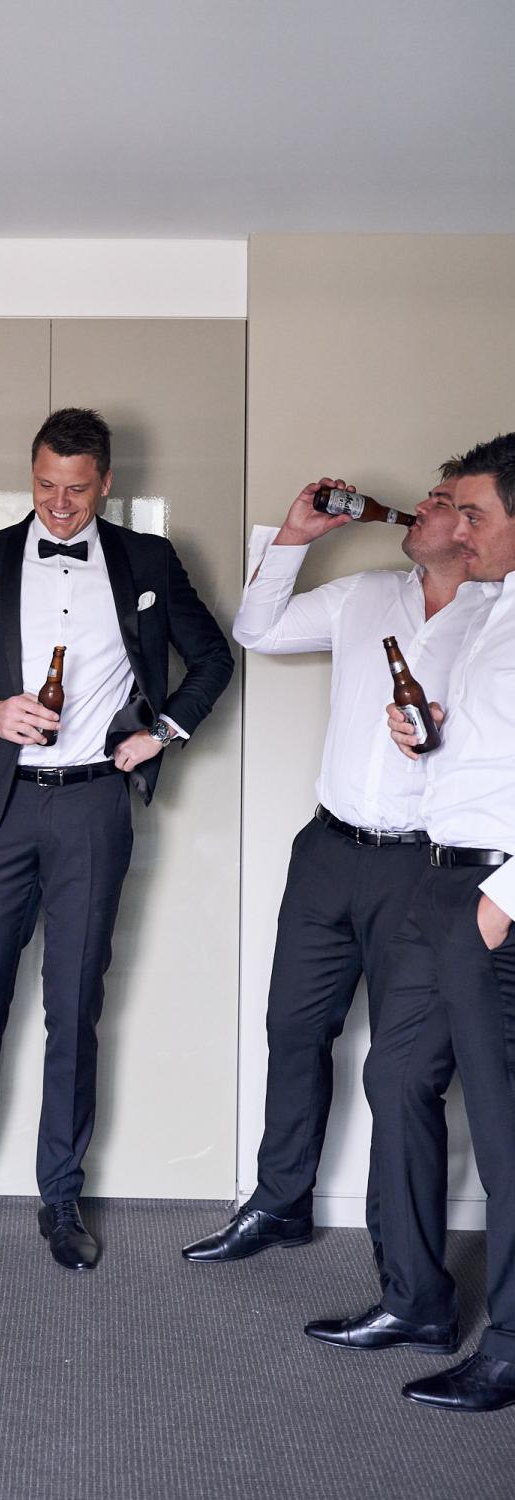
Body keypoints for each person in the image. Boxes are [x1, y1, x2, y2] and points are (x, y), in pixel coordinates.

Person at [0, 407, 234, 1270]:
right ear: (30, 475)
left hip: (92, 810)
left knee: (74, 1008)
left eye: (77, 489)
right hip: (2, 809)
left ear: (106, 483)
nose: (60, 505)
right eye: (45, 486)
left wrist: (164, 733)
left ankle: (60, 1198)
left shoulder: (146, 561)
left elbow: (214, 659)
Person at [184, 467, 494, 1265]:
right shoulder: (364, 594)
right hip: (328, 850)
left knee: (401, 1069)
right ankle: (280, 1203)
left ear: (466, 530)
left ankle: (401, 1265)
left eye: (443, 502)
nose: (424, 508)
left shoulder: (496, 623)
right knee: (293, 1028)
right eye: (430, 497)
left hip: (423, 868)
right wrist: (294, 536)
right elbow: (257, 629)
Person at [306, 432, 515, 1413]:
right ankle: (418, 1300)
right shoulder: (489, 615)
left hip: (494, 903)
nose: (455, 530)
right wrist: (429, 738)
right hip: (443, 877)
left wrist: (498, 904)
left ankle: (510, 1348)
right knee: (393, 1074)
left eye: (473, 513)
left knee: (506, 1137)